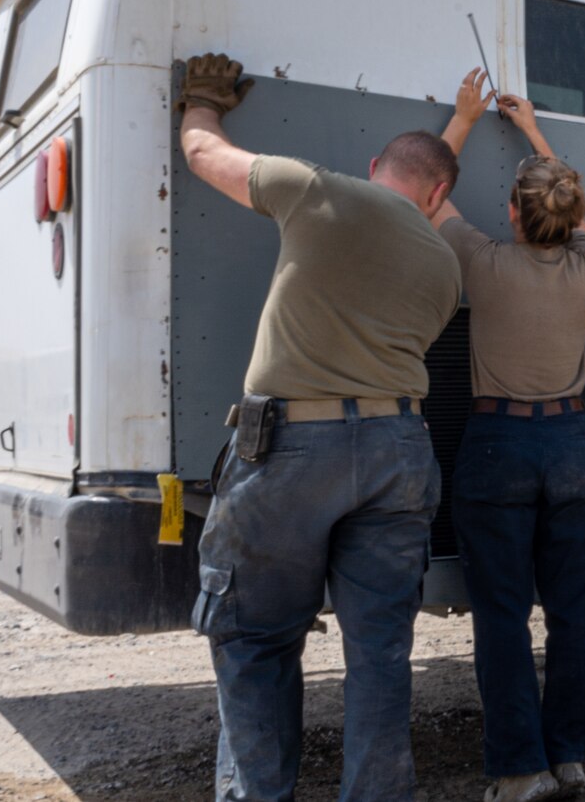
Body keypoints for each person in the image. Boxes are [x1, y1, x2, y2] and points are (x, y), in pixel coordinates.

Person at [177, 53, 462, 802]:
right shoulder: (444, 266)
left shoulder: (316, 190)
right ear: (438, 196)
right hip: (400, 449)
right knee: (379, 652)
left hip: (295, 448)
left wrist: (200, 102)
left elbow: (203, 153)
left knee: (257, 641)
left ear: (375, 167)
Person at [435, 70, 585, 802]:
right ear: (571, 219)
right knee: (574, 613)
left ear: (510, 213)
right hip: (574, 444)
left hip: (499, 443)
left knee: (503, 617)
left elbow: (426, 193)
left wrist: (464, 118)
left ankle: (519, 769)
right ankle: (568, 752)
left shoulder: (485, 262)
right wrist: (535, 129)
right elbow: (568, 203)